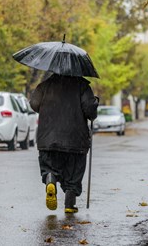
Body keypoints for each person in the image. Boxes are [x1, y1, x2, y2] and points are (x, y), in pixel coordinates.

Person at [29, 73, 98, 213]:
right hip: (75, 139)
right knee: (74, 173)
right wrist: (95, 102)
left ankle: (50, 178)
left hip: (48, 138)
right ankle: (69, 204)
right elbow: (90, 111)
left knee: (49, 166)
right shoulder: (82, 85)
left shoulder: (44, 85)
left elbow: (34, 104)